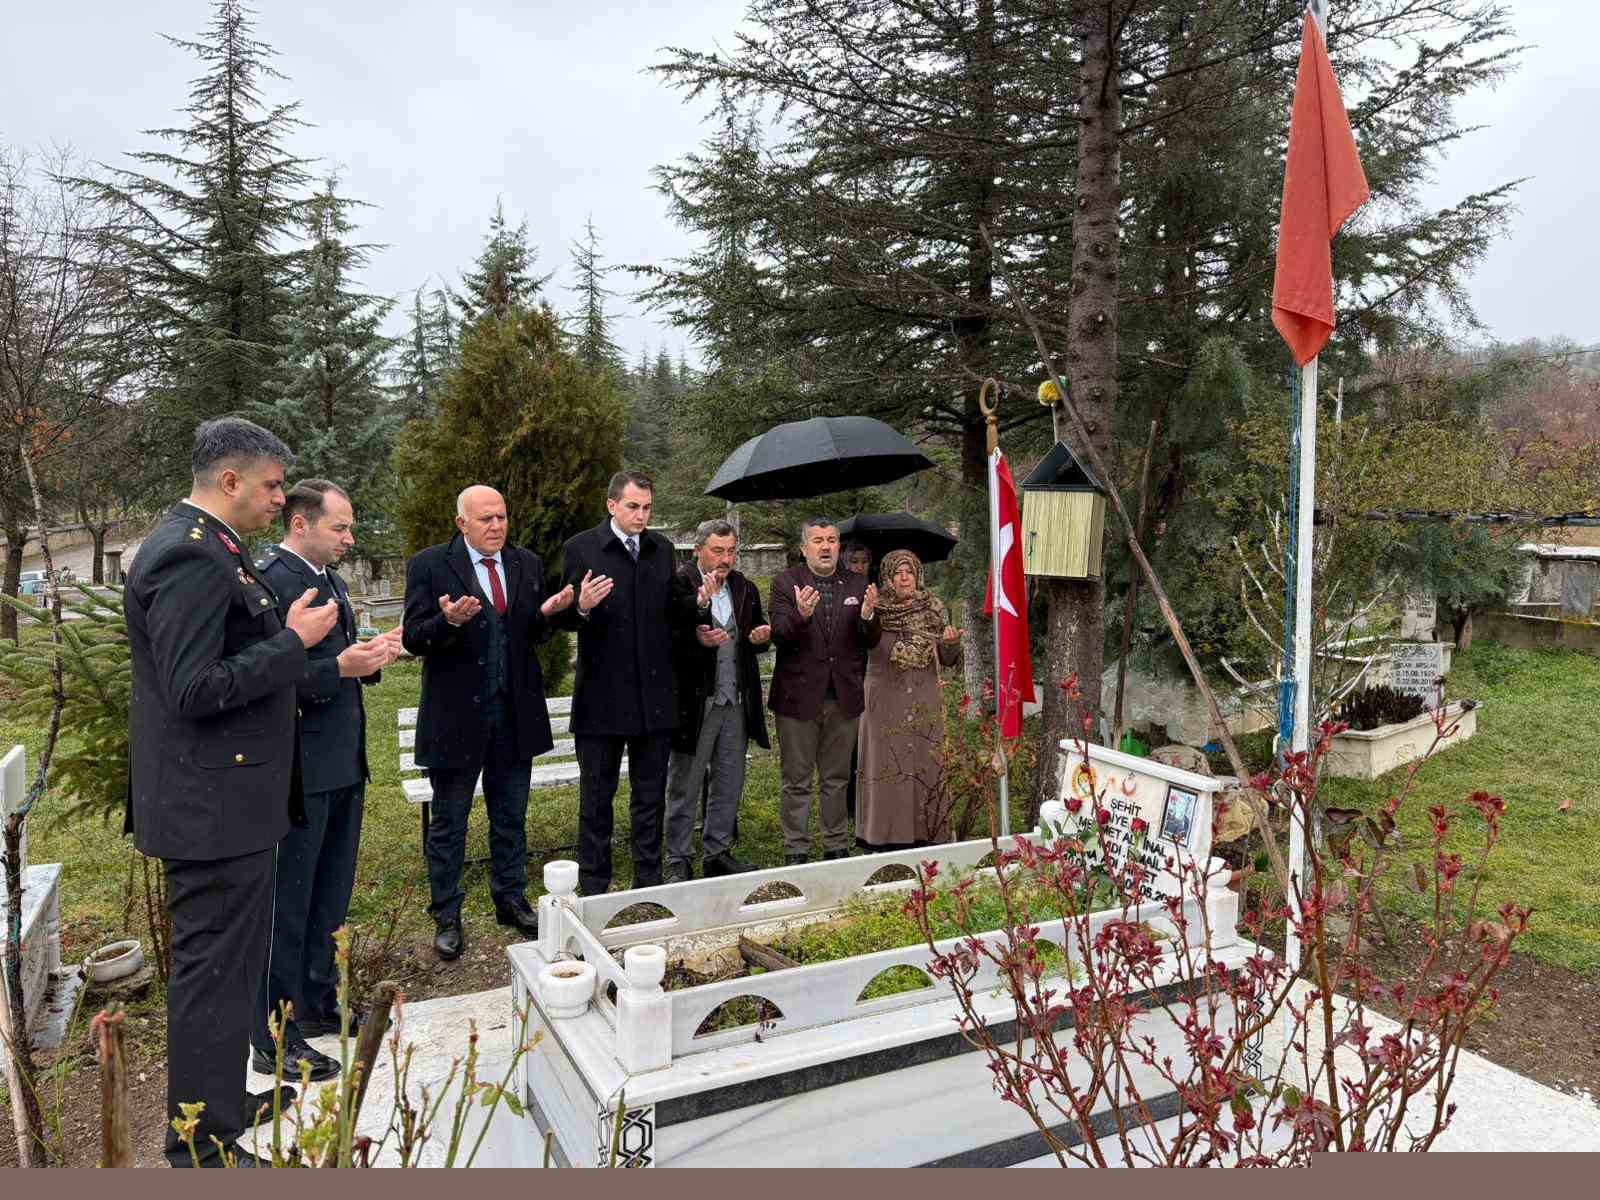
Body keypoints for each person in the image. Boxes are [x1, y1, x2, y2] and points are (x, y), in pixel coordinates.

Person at [125, 418, 340, 1167]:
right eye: (273, 486)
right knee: (212, 977)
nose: (279, 499)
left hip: (229, 806)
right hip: (209, 812)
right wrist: (294, 644)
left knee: (228, 968)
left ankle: (220, 1101)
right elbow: (191, 688)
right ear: (230, 482)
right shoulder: (188, 558)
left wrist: (283, 641)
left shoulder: (213, 549)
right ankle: (201, 1150)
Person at [249, 481, 402, 1082]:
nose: (350, 537)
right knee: (291, 901)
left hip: (342, 759)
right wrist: (339, 666)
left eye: (350, 526)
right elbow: (268, 678)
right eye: (340, 527)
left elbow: (335, 660)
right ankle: (276, 1031)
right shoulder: (272, 582)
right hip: (298, 769)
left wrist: (367, 657)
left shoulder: (329, 577)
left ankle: (317, 1003)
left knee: (330, 896)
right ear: (300, 524)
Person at [402, 485, 578, 960]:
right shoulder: (431, 565)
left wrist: (550, 614)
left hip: (514, 714)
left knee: (510, 816)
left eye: (501, 516)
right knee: (450, 823)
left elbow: (530, 634)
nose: (497, 526)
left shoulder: (526, 564)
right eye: (485, 519)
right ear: (462, 524)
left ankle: (510, 898)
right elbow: (416, 638)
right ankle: (446, 914)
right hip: (456, 718)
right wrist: (449, 622)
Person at [554, 471, 686, 895]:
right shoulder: (581, 548)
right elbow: (559, 616)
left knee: (650, 798)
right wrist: (584, 609)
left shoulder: (662, 549)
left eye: (647, 507)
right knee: (596, 799)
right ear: (612, 505)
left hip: (654, 699)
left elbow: (672, 612)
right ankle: (595, 884)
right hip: (601, 698)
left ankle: (647, 882)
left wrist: (699, 609)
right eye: (633, 506)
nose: (641, 515)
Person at [663, 519, 772, 882]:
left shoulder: (744, 587)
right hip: (695, 703)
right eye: (717, 551)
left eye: (731, 551)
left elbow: (756, 635)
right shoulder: (679, 582)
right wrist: (698, 623)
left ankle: (718, 851)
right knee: (686, 782)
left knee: (729, 778)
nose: (726, 559)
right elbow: (670, 631)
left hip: (735, 700)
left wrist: (761, 637)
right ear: (698, 550)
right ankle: (678, 857)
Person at [768, 517, 881, 864]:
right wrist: (801, 615)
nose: (826, 546)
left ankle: (835, 844)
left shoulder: (859, 582)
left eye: (832, 540)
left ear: (839, 547)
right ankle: (796, 849)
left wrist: (866, 616)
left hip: (843, 697)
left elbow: (871, 640)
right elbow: (778, 635)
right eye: (818, 540)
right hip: (798, 698)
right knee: (797, 778)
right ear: (805, 549)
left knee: (836, 777)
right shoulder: (786, 583)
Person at [856, 549, 963, 851]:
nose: (904, 578)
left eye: (910, 572)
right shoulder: (877, 607)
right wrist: (868, 612)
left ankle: (928, 832)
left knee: (925, 764)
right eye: (898, 573)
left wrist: (952, 644)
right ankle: (882, 837)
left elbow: (948, 658)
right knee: (886, 765)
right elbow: (867, 638)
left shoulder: (935, 609)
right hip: (884, 699)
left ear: (918, 576)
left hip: (924, 697)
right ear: (888, 577)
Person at [841, 539, 872, 821]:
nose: (859, 567)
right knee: (849, 742)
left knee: (871, 741)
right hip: (846, 675)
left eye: (864, 561)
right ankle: (850, 804)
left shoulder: (875, 592)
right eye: (854, 561)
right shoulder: (840, 589)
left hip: (874, 673)